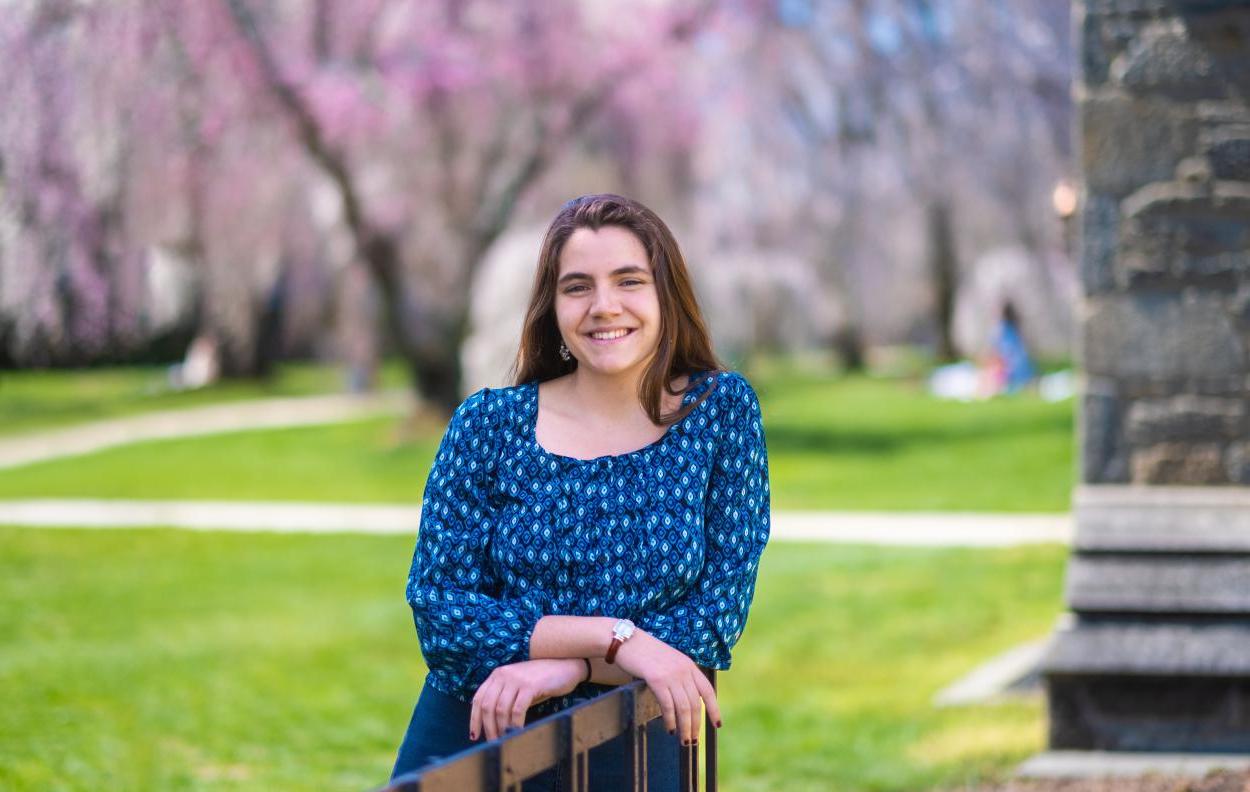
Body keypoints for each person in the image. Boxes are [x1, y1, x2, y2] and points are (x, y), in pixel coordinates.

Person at [389, 194, 771, 791]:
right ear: (553, 305)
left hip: (631, 741)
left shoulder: (718, 414)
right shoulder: (488, 424)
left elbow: (712, 621)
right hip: (479, 731)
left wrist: (560, 671)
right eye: (577, 287)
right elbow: (440, 612)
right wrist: (610, 641)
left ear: (665, 294)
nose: (604, 306)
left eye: (629, 280)